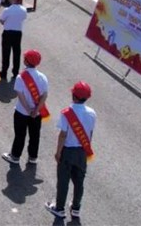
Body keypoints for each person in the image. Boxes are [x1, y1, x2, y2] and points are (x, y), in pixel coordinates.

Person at [47, 82, 96, 220]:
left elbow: (63, 135)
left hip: (68, 151)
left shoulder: (67, 113)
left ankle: (59, 208)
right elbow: (90, 133)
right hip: (82, 151)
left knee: (63, 181)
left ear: (73, 95)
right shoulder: (92, 113)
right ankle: (75, 208)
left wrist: (58, 152)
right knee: (79, 181)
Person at [2, 50, 49, 166]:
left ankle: (15, 156)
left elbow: (21, 95)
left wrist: (28, 110)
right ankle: (33, 157)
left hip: (22, 112)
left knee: (20, 135)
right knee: (35, 135)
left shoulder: (21, 77)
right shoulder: (43, 77)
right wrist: (36, 110)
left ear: (26, 61)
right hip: (36, 114)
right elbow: (44, 95)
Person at [0, 0, 28, 81]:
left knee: (6, 53)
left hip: (7, 33)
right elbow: (23, 18)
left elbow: (1, 21)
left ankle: (4, 72)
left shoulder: (7, 10)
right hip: (18, 33)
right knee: (16, 53)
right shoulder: (23, 10)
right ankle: (15, 72)